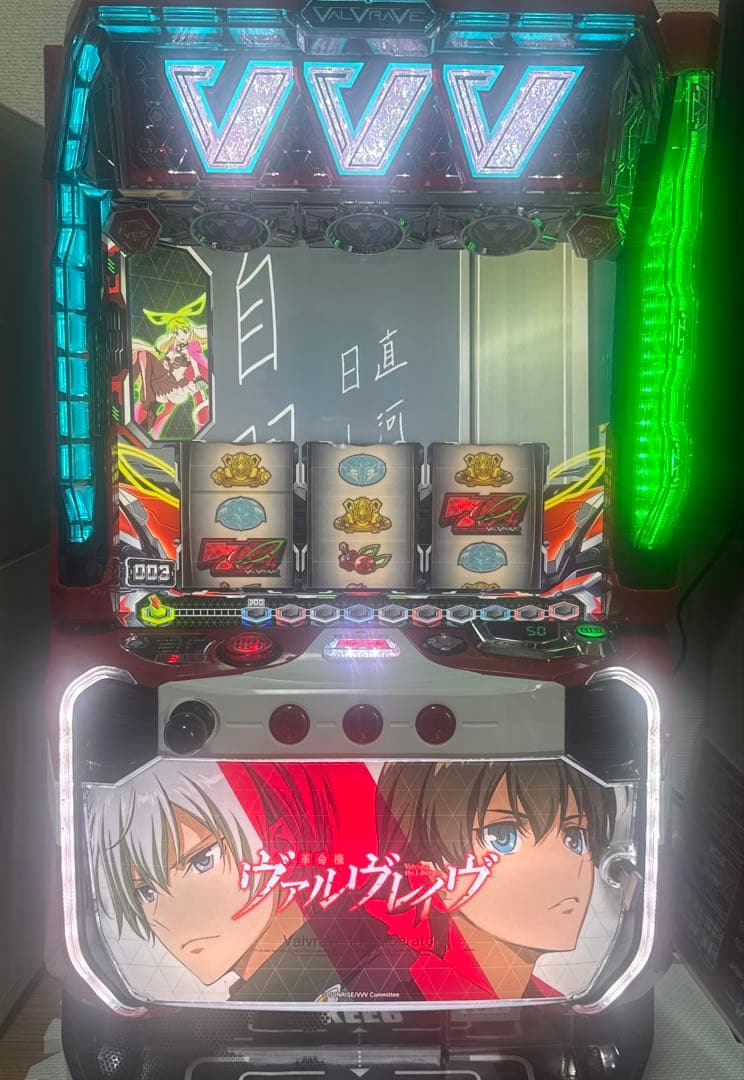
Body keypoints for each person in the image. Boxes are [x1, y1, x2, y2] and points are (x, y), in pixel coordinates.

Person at [86, 760, 420, 1003]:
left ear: (281, 844)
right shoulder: (250, 999)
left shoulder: (378, 962)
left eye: (202, 861)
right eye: (144, 892)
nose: (165, 916)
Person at [375, 759, 617, 1000]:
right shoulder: (395, 989)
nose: (563, 868)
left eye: (575, 838)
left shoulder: (554, 1001)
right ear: (429, 871)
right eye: (503, 836)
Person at [132, 292, 210, 440]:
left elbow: (195, 364)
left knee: (144, 355)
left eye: (184, 331)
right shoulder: (171, 347)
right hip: (162, 382)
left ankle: (146, 394)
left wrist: (198, 378)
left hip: (175, 387)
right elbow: (161, 356)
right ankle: (141, 392)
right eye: (176, 332)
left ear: (189, 330)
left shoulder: (192, 347)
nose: (181, 335)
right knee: (140, 354)